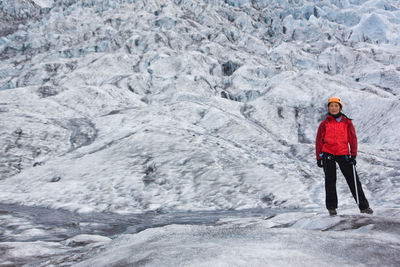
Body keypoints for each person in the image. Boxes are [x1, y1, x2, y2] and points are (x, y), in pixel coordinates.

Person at [315, 96, 373, 216]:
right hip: (328, 153)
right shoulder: (324, 124)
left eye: (336, 106)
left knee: (353, 180)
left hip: (344, 154)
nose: (334, 108)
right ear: (328, 108)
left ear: (340, 107)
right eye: (331, 106)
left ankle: (364, 207)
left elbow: (353, 140)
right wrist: (319, 157)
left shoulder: (347, 122)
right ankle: (331, 207)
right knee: (330, 181)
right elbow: (319, 141)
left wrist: (353, 155)